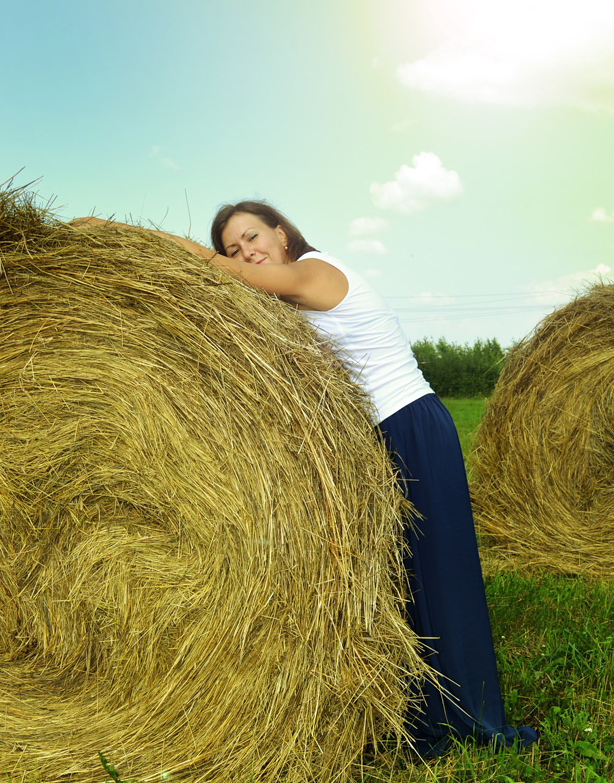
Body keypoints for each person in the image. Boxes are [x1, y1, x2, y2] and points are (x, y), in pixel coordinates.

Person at [70, 202, 537, 755]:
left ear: (282, 233)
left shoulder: (315, 272)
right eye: (236, 247)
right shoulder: (289, 294)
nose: (248, 252)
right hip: (381, 437)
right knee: (405, 578)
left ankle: (474, 719)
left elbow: (230, 276)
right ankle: (426, 712)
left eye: (253, 236)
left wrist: (120, 232)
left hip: (411, 424)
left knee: (440, 573)